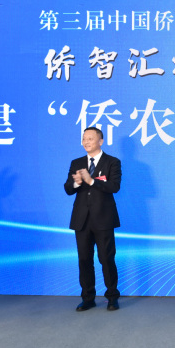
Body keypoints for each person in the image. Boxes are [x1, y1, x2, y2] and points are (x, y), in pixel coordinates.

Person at [64, 127, 122, 312]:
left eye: (90, 138)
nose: (86, 142)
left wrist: (91, 181)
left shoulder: (112, 162)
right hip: (81, 220)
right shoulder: (77, 163)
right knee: (84, 259)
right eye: (84, 139)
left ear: (100, 141)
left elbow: (114, 186)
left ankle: (112, 297)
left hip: (103, 218)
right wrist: (76, 182)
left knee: (106, 259)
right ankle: (87, 298)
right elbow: (68, 189)